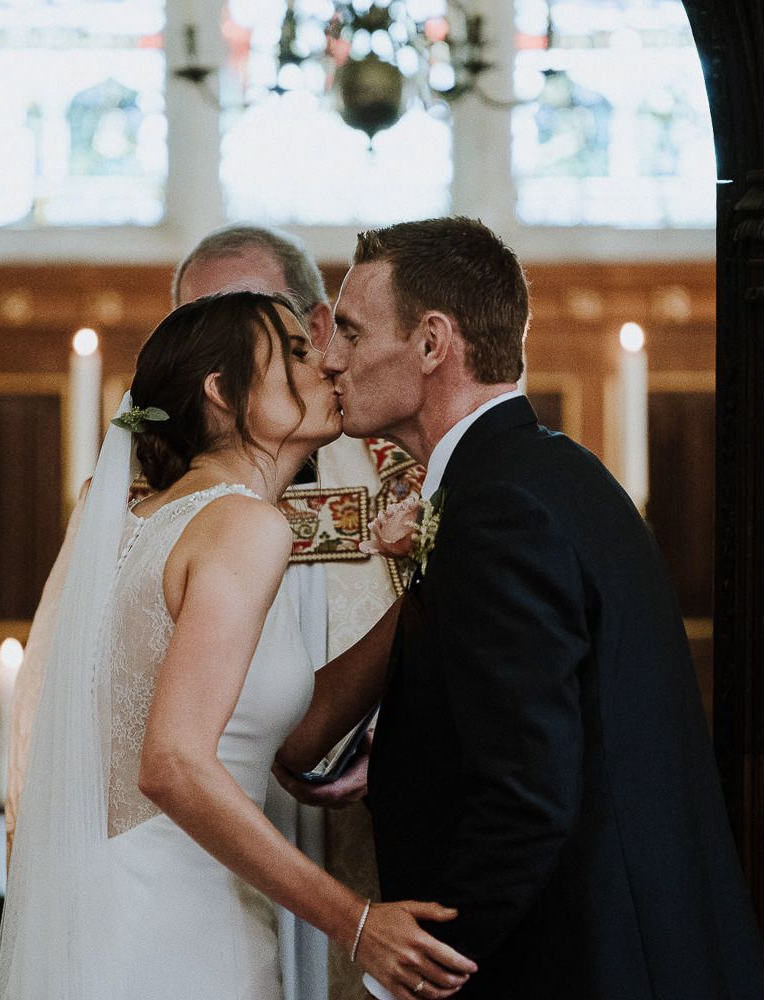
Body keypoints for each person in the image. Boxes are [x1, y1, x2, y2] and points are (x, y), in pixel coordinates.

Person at [276, 217, 764, 999]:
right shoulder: (547, 474)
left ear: (432, 343)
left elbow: (528, 797)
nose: (331, 356)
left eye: (354, 332)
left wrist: (413, 970)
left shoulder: (498, 511)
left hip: (579, 964)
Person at [0, 291, 477, 1000]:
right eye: (297, 352)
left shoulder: (149, 520)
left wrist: (424, 591)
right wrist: (356, 923)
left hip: (118, 910)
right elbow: (172, 764)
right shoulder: (243, 525)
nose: (328, 363)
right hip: (180, 925)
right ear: (222, 392)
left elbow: (291, 738)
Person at [174, 223, 424, 1000]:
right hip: (201, 852)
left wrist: (400, 740)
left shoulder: (407, 473)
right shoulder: (143, 504)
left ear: (316, 329)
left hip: (367, 829)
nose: (217, 358)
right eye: (195, 328)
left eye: (248, 322)